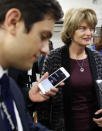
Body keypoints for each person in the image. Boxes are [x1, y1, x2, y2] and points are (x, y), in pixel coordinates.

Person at [36, 8, 102, 131]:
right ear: (71, 30)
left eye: (91, 28)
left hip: (94, 125)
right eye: (83, 28)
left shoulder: (96, 57)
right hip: (63, 126)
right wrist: (43, 127)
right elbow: (43, 98)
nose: (89, 33)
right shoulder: (54, 57)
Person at [0, 0, 63, 130]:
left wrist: (28, 95)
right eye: (43, 36)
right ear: (13, 22)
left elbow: (25, 125)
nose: (46, 50)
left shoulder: (10, 85)